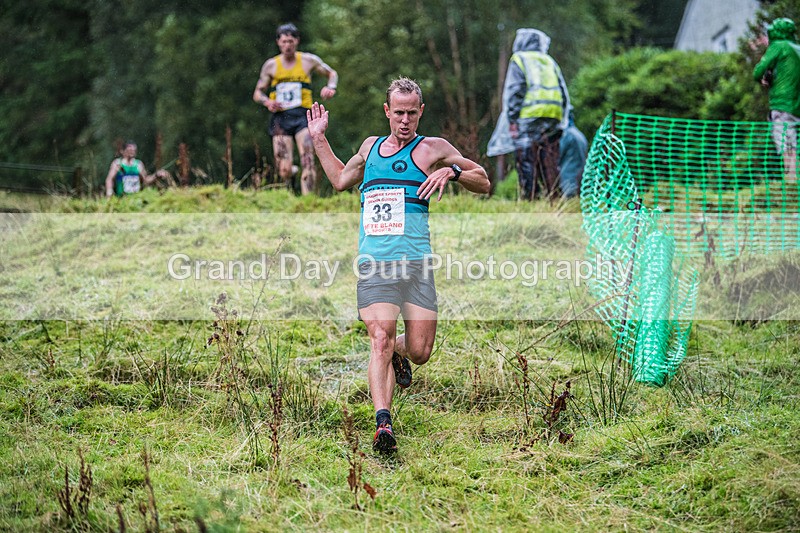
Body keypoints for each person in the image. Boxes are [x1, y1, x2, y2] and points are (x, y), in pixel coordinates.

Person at [307, 77, 490, 454]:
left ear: (420, 112)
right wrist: (318, 139)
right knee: (380, 337)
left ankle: (396, 353)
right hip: (376, 264)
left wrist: (453, 173)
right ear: (387, 112)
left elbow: (483, 180)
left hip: (417, 266)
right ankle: (383, 424)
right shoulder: (370, 148)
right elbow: (341, 179)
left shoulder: (434, 148)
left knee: (420, 351)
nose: (405, 121)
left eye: (412, 113)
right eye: (398, 113)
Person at [253, 23, 338, 195]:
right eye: (284, 42)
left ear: (297, 41)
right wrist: (267, 102)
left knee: (308, 160)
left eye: (291, 41)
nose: (287, 46)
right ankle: (291, 173)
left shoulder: (308, 60)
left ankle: (308, 202)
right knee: (283, 169)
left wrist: (330, 87)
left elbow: (332, 73)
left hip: (303, 116)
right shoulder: (271, 65)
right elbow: (257, 92)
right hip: (280, 118)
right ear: (278, 42)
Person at [487, 28, 570, 200]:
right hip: (553, 117)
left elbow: (515, 90)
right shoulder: (548, 61)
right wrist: (562, 118)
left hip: (529, 117)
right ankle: (554, 198)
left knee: (526, 159)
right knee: (549, 160)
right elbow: (563, 91)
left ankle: (529, 199)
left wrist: (512, 119)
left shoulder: (520, 59)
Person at [753, 17, 800, 182]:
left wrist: (765, 77)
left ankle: (791, 178)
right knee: (793, 137)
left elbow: (758, 71)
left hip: (781, 102)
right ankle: (793, 176)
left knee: (784, 139)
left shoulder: (778, 46)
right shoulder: (797, 48)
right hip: (796, 104)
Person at [558, 108, 588, 198]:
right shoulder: (579, 134)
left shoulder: (566, 135)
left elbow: (557, 157)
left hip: (568, 186)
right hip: (580, 185)